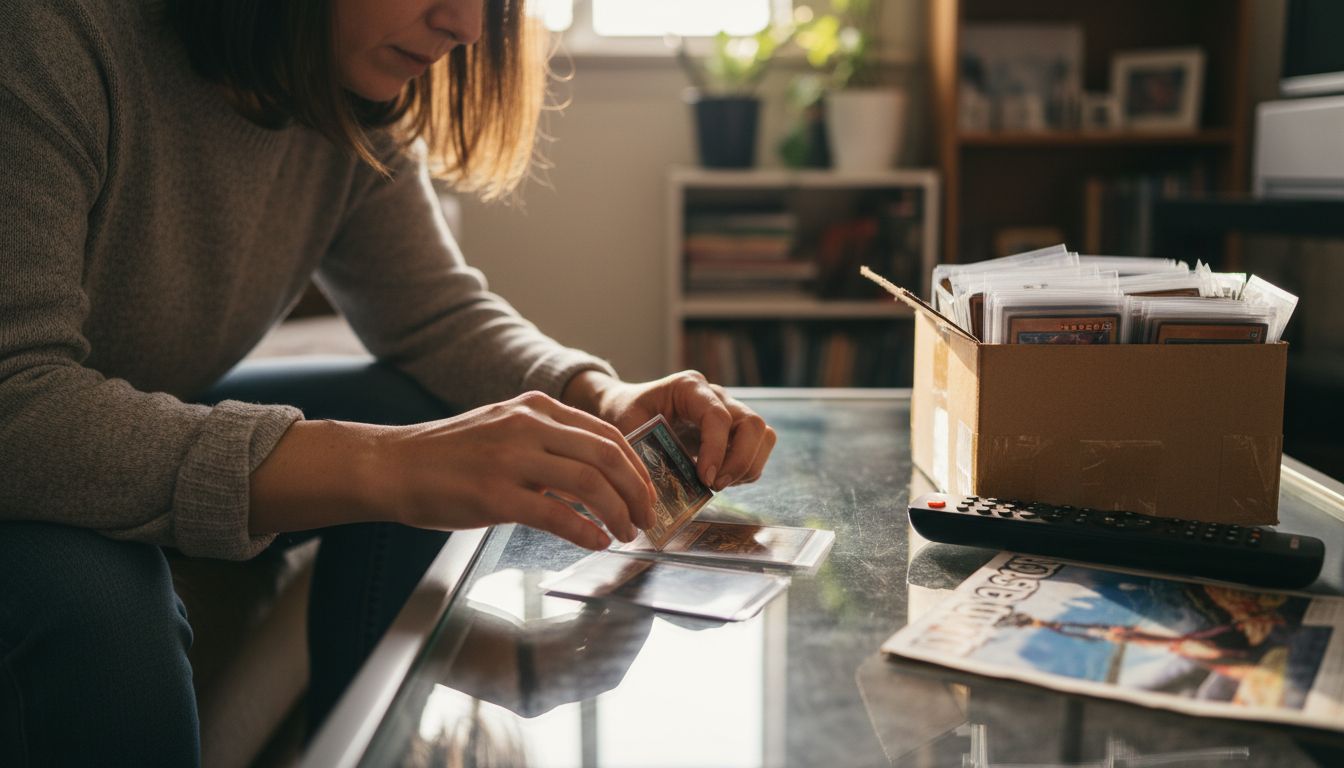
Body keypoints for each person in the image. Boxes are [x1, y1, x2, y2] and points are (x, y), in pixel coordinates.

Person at [0, 0, 777, 764]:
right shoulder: (52, 37)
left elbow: (433, 311)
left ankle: (361, 744)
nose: (468, 27)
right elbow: (17, 400)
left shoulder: (340, 91)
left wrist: (603, 395)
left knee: (405, 405)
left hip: (103, 405)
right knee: (102, 601)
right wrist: (394, 466)